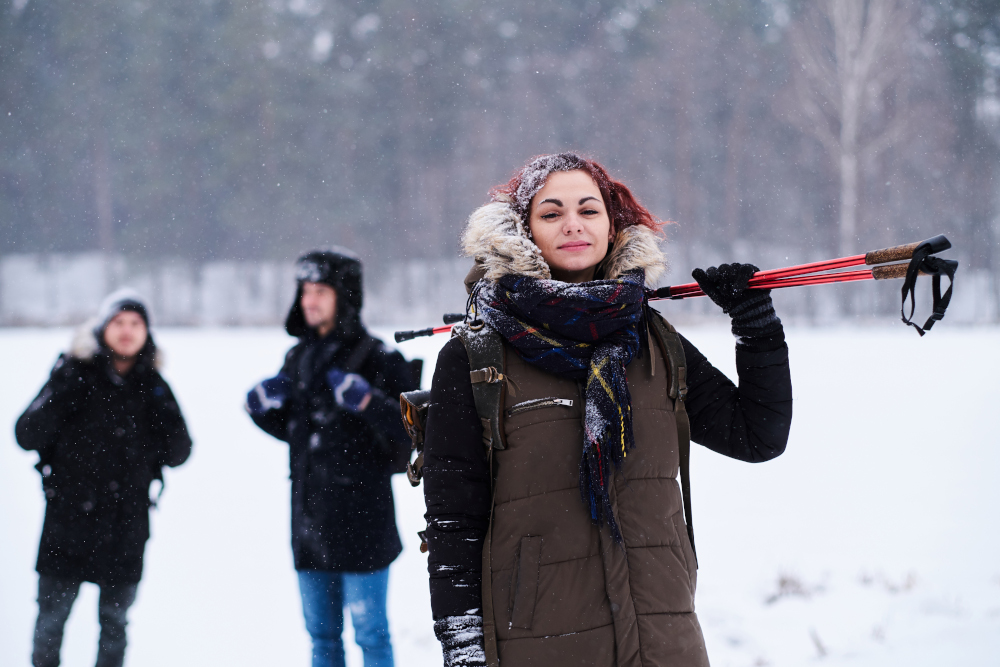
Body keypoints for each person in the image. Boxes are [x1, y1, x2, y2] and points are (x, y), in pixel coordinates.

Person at [422, 153, 793, 666]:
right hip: (539, 646)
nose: (572, 223)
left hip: (663, 641)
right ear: (523, 232)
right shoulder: (474, 358)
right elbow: (453, 522)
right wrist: (462, 650)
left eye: (588, 210)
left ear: (613, 224)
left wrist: (756, 328)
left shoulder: (655, 342)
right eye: (551, 213)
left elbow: (757, 436)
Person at [246, 248, 417, 667]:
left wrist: (368, 402)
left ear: (344, 295)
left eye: (320, 290)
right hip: (309, 521)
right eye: (305, 291)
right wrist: (260, 409)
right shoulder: (299, 358)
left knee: (371, 635)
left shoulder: (379, 358)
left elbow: (411, 432)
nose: (309, 301)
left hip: (364, 522)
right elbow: (296, 434)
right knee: (321, 637)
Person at [15, 288, 192, 667]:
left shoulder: (153, 386)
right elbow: (26, 434)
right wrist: (61, 388)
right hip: (68, 522)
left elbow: (180, 452)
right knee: (50, 622)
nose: (127, 332)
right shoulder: (73, 373)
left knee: (115, 624)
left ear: (147, 333)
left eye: (136, 324)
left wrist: (159, 418)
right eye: (119, 323)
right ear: (102, 328)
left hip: (125, 527)